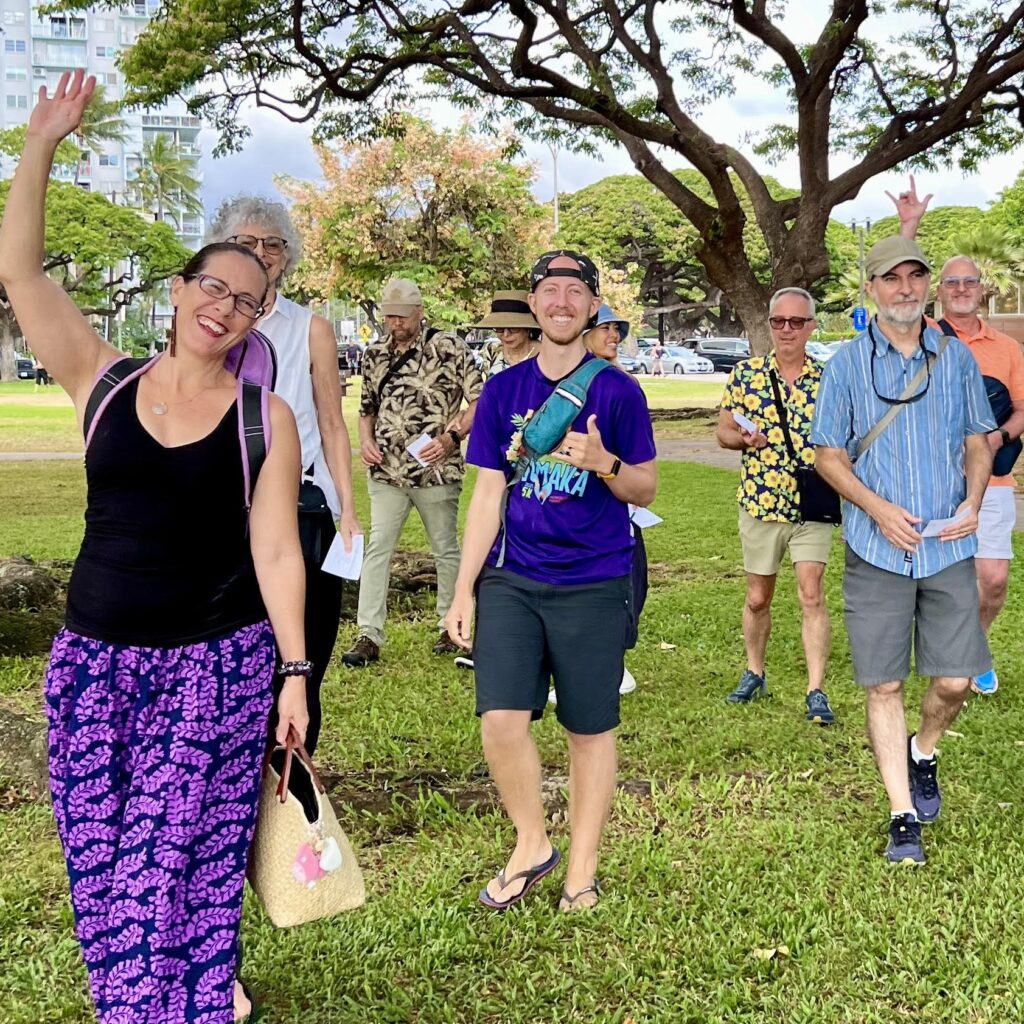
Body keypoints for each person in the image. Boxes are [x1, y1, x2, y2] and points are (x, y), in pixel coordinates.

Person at [0, 71, 308, 1021]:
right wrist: (41, 144)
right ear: (179, 292)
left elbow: (278, 553)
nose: (225, 305)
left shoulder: (267, 417)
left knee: (186, 882)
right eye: (212, 284)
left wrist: (295, 670)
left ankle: (183, 1009)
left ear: (259, 321)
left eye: (247, 299)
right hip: (92, 669)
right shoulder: (102, 380)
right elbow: (20, 275)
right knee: (107, 885)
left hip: (213, 673)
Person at [446, 250, 657, 912]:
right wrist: (462, 590)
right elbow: (485, 495)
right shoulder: (503, 391)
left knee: (588, 728)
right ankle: (533, 842)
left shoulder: (619, 391)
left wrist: (605, 462)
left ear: (593, 305)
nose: (561, 301)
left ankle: (582, 872)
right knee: (501, 721)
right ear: (533, 306)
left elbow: (646, 485)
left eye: (575, 291)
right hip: (512, 578)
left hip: (595, 578)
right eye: (549, 291)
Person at [812, 235, 994, 866]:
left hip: (946, 544)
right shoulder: (843, 365)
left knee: (955, 678)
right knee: (884, 683)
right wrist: (877, 508)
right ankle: (901, 814)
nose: (906, 289)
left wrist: (973, 503)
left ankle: (925, 750)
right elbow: (828, 454)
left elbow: (979, 438)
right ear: (871, 289)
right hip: (876, 547)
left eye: (916, 278)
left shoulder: (956, 358)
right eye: (892, 279)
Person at [207, 196, 361, 755]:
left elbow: (332, 423)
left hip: (301, 510)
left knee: (305, 654)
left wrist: (348, 508)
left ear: (287, 257)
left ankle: (292, 788)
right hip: (223, 508)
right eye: (247, 243)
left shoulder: (310, 329)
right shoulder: (210, 322)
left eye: (273, 245)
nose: (262, 253)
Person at [894, 188, 1024, 696]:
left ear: (981, 290)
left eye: (971, 281)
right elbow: (898, 292)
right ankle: (945, 651)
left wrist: (999, 435)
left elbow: (1022, 408)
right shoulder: (922, 335)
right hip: (933, 480)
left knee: (991, 578)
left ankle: (975, 646)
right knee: (935, 578)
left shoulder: (1008, 348)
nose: (963, 288)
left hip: (992, 478)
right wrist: (908, 229)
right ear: (940, 291)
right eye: (953, 282)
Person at [342, 278, 484, 666]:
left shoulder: (448, 347)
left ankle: (450, 625)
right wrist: (365, 442)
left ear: (420, 312)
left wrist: (453, 436)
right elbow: (366, 409)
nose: (395, 323)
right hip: (387, 472)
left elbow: (480, 398)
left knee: (445, 549)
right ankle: (368, 634)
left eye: (402, 316)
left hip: (436, 470)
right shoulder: (375, 355)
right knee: (378, 550)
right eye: (389, 316)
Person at [716, 288, 836, 724]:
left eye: (797, 322)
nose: (787, 330)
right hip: (761, 502)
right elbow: (724, 432)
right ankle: (754, 671)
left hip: (813, 504)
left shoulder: (829, 378)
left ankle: (816, 689)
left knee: (811, 592)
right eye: (778, 321)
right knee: (756, 597)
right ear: (768, 324)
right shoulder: (747, 374)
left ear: (811, 326)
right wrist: (742, 439)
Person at [582, 302, 646, 698]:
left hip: (620, 499)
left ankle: (613, 664)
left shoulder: (624, 385)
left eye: (617, 329)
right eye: (605, 328)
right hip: (576, 499)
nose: (614, 335)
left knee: (628, 579)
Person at [476, 289, 541, 376]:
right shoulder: (491, 352)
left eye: (513, 328)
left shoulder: (547, 355)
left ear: (528, 328)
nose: (506, 334)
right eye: (500, 328)